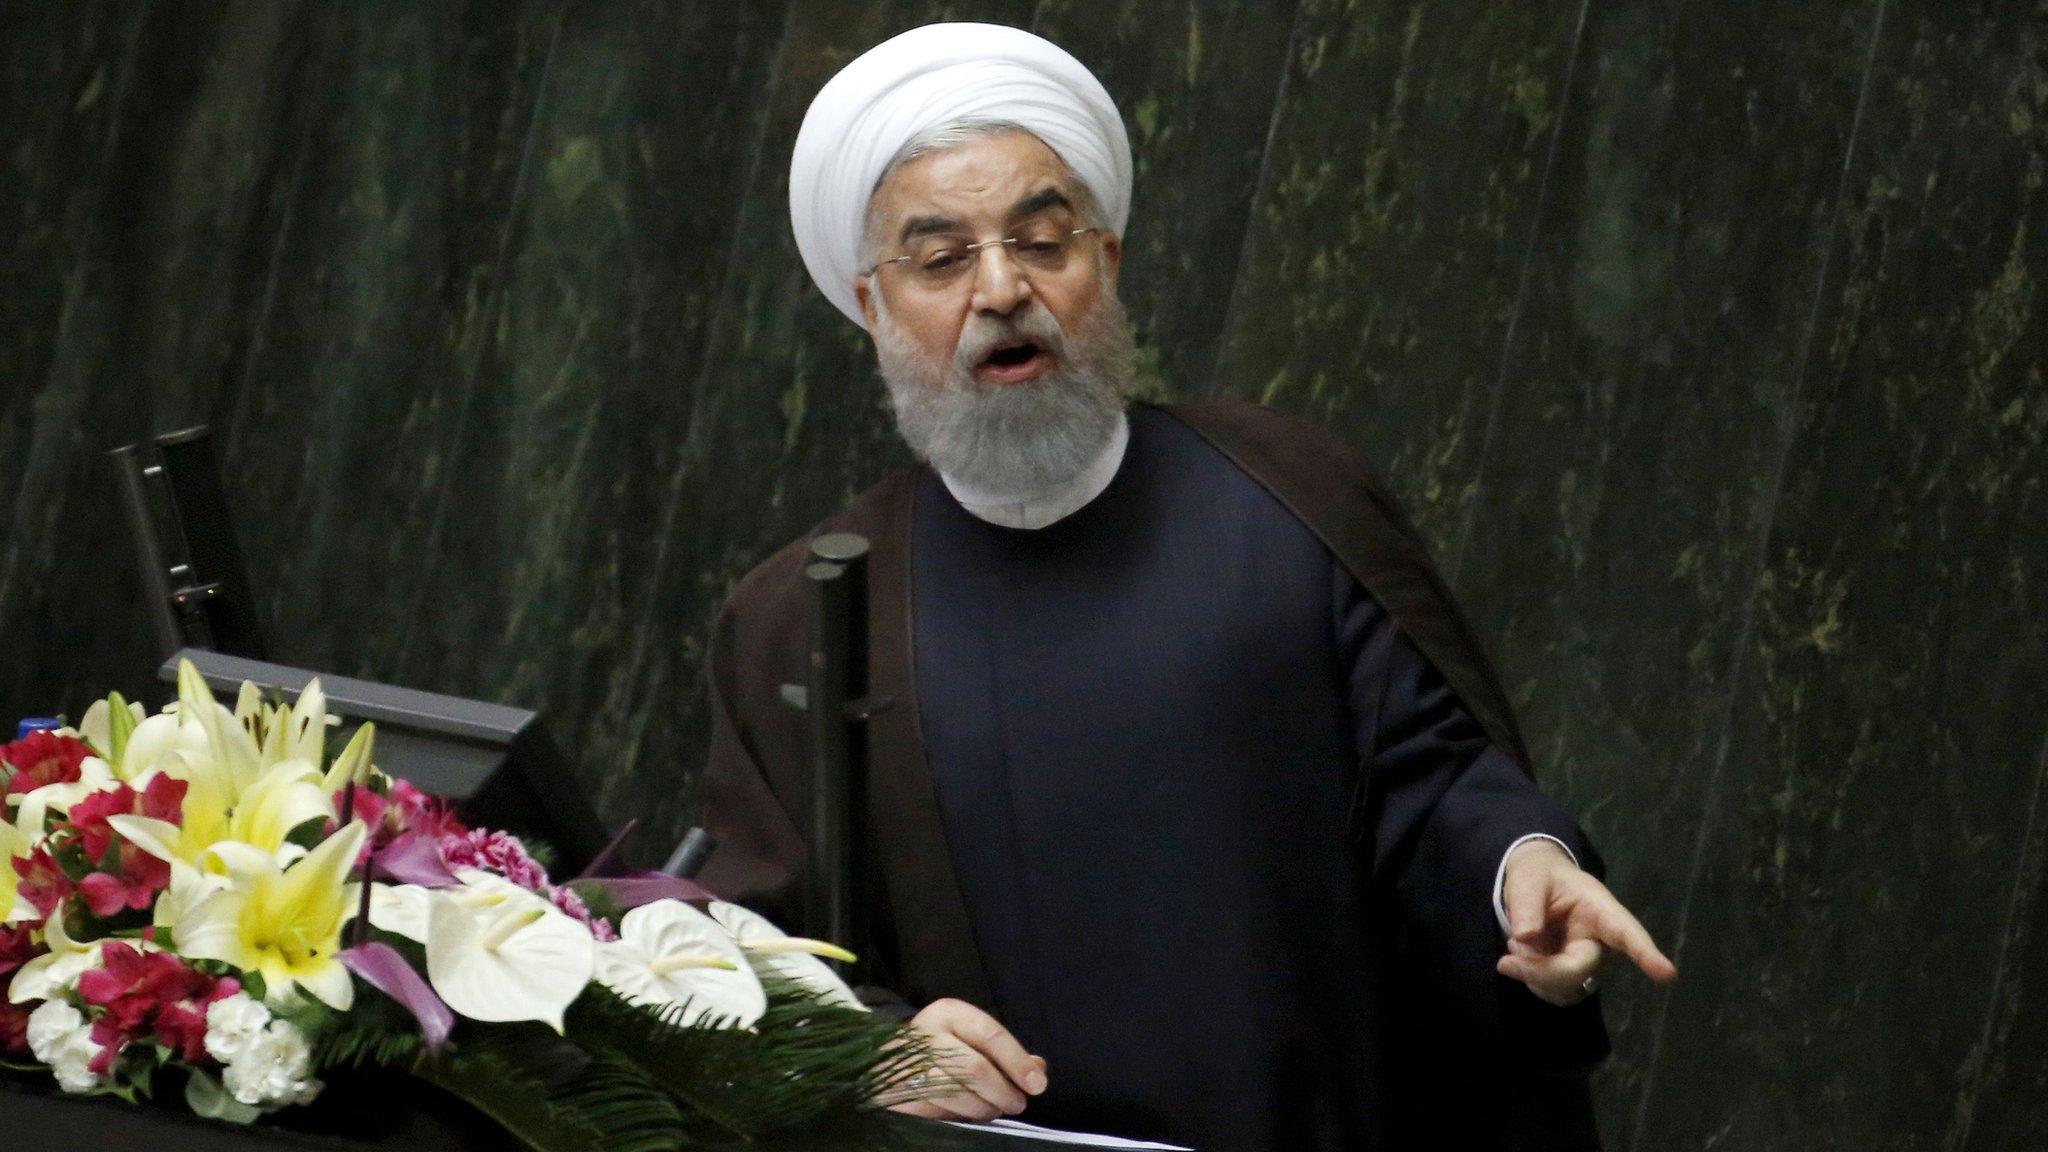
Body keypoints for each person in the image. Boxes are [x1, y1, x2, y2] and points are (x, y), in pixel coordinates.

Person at [699, 22, 1676, 1150]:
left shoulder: (1285, 493)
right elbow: (751, 951)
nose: (1002, 289)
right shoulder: (804, 617)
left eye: (1042, 241)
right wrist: (873, 1046)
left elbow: (1431, 781)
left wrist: (1527, 867)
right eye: (940, 257)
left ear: (1104, 262)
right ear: (870, 306)